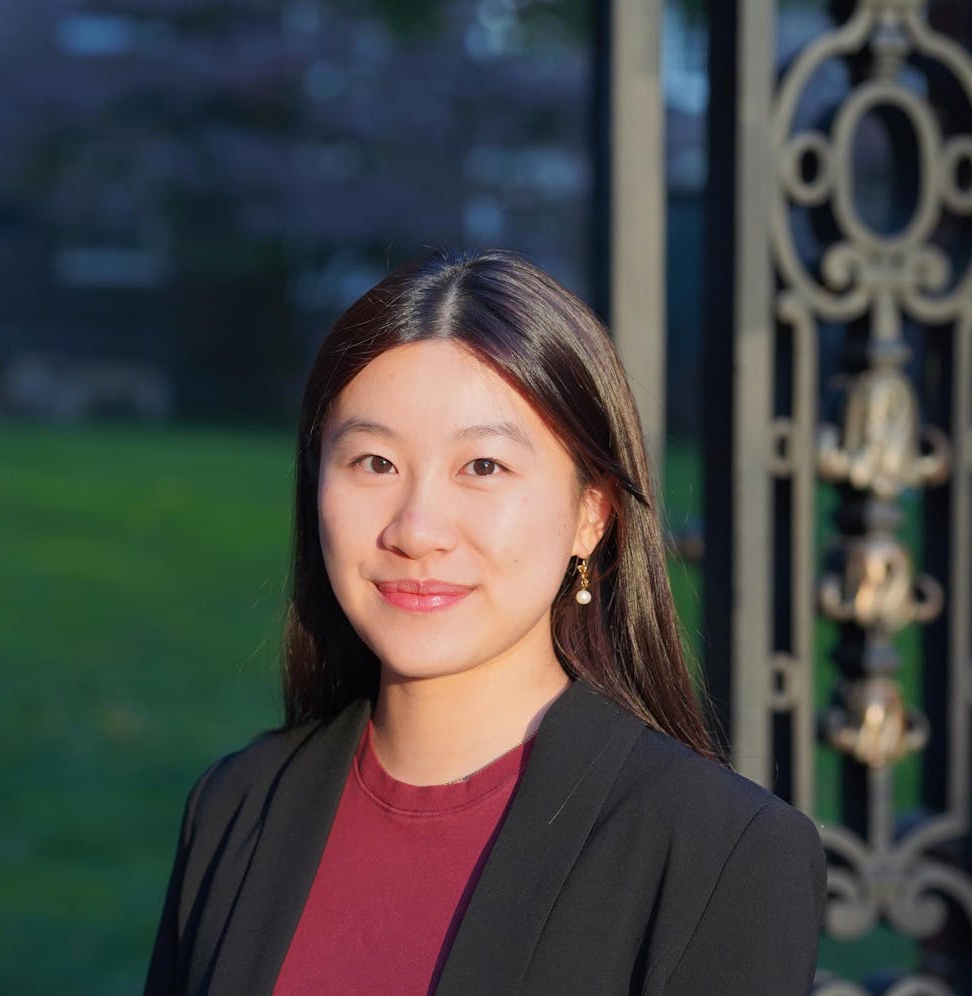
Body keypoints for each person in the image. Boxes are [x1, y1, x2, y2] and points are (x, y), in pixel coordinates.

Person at [144, 249, 826, 996]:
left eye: (484, 467)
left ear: (591, 514)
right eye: (373, 463)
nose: (417, 528)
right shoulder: (238, 807)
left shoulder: (719, 853)